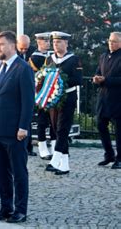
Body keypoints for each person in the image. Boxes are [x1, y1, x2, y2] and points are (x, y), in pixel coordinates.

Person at [0, 31, 34, 223]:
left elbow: (28, 100)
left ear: (13, 46)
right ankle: (5, 207)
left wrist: (23, 126)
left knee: (18, 172)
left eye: (2, 45)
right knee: (1, 172)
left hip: (15, 131)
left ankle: (20, 210)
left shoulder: (23, 68)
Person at [45, 31, 82, 175]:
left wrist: (59, 81)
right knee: (55, 129)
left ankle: (55, 159)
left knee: (62, 129)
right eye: (54, 42)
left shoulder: (74, 59)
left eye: (59, 42)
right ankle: (65, 165)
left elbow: (78, 79)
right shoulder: (50, 59)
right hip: (54, 98)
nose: (56, 45)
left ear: (66, 43)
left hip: (68, 97)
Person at [93, 32, 121, 169]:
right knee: (100, 125)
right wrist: (97, 78)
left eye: (114, 41)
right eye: (110, 40)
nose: (111, 43)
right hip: (103, 98)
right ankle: (109, 154)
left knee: (119, 130)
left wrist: (106, 80)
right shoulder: (103, 56)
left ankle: (120, 158)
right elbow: (98, 71)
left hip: (118, 99)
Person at [29, 32, 56, 160]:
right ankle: (43, 148)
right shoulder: (35, 57)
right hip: (41, 93)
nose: (48, 43)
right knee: (42, 121)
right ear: (39, 42)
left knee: (54, 121)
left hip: (53, 92)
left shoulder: (52, 56)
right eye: (45, 41)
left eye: (48, 41)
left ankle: (55, 147)